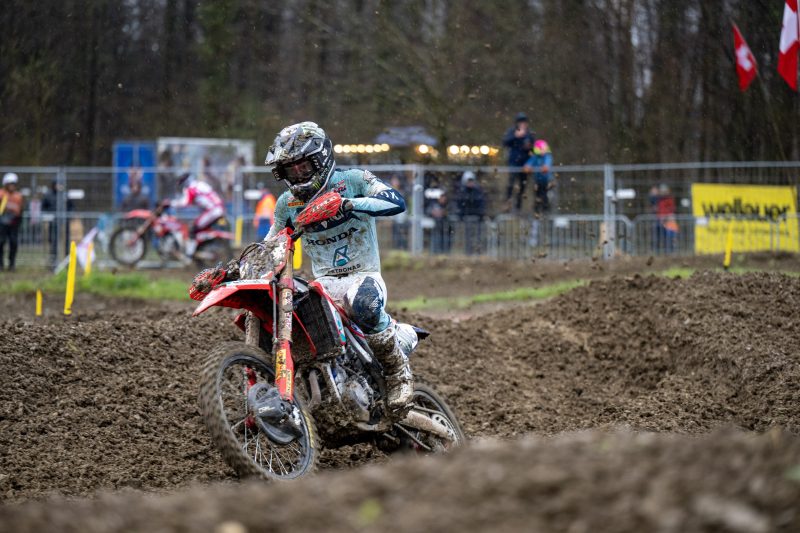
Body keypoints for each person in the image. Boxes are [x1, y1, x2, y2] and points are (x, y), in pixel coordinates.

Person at [264, 121, 414, 410]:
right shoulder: (287, 204)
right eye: (290, 170)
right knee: (285, 317)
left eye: (303, 166)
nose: (298, 174)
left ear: (320, 159)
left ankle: (398, 374)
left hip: (363, 276)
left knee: (364, 305)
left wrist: (347, 204)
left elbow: (395, 201)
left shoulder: (354, 180)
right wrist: (235, 269)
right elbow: (272, 243)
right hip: (324, 284)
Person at [165, 173, 226, 259]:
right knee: (197, 228)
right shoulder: (200, 184)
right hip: (218, 209)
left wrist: (170, 203)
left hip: (213, 211)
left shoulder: (191, 188)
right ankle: (198, 250)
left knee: (193, 228)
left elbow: (185, 203)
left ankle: (189, 255)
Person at [502, 112, 536, 213]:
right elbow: (505, 142)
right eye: (520, 122)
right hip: (514, 162)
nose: (522, 124)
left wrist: (529, 147)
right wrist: (516, 136)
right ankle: (507, 202)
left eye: (524, 122)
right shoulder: (512, 131)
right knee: (511, 183)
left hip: (525, 164)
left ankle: (518, 206)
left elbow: (534, 148)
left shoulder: (529, 133)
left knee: (522, 185)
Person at [455, 171, 487, 255]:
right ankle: (468, 253)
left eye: (471, 181)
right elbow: (459, 205)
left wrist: (480, 213)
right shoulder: (461, 192)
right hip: (466, 218)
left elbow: (482, 204)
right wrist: (462, 214)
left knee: (478, 237)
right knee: (467, 237)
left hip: (477, 218)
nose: (470, 183)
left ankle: (479, 253)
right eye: (468, 181)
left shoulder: (478, 191)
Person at [0, 173, 24, 271]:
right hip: (2, 223)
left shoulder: (18, 196)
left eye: (13, 184)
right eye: (10, 184)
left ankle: (12, 264)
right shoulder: (1, 194)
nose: (12, 186)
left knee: (13, 243)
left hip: (14, 222)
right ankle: (0, 264)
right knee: (1, 242)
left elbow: (21, 209)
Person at [649, 184, 679, 254]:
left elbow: (672, 209)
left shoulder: (669, 199)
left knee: (669, 238)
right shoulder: (658, 199)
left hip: (668, 221)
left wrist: (666, 216)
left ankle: (669, 252)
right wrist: (653, 193)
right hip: (659, 220)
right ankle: (657, 252)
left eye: (665, 191)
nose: (663, 192)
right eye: (662, 191)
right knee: (657, 237)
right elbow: (652, 199)